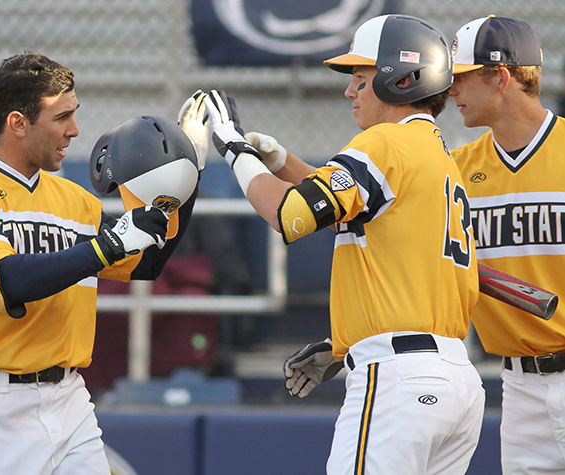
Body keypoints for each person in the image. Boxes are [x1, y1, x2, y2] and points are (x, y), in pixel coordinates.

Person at [202, 14, 485, 475]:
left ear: (403, 77)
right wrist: (282, 161)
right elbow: (357, 210)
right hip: (455, 380)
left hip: (397, 379)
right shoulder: (438, 156)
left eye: (361, 78)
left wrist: (234, 151)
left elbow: (289, 215)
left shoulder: (384, 144)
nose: (349, 92)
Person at [0, 51, 207, 474]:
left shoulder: (73, 200)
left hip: (68, 398)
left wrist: (188, 174)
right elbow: (4, 283)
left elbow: (147, 263)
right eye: (61, 117)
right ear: (17, 122)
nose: (74, 130)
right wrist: (105, 248)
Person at [449, 16, 565, 473]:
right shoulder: (453, 168)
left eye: (459, 78)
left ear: (500, 77)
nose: (450, 90)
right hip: (517, 387)